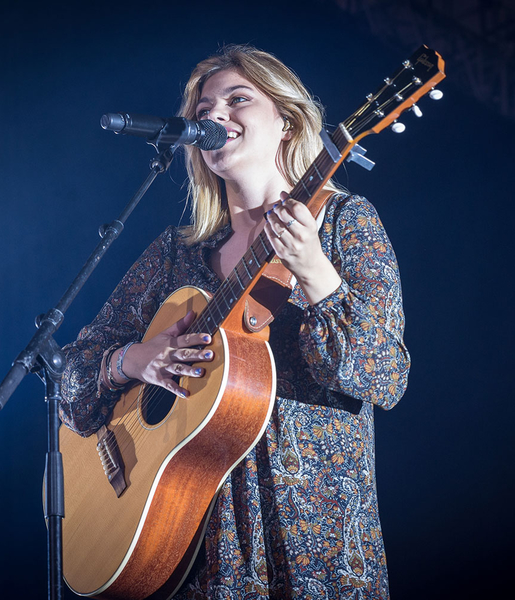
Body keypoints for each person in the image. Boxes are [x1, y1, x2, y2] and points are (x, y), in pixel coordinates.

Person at [60, 44, 410, 599]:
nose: (214, 115)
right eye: (203, 110)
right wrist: (134, 360)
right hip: (194, 541)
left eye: (238, 99)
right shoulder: (175, 255)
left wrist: (316, 273)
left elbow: (384, 377)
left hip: (309, 538)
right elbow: (68, 376)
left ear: (288, 125)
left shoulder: (346, 222)